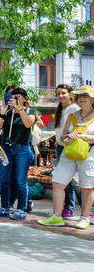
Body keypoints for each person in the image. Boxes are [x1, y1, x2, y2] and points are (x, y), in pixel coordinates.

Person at [38, 85, 94, 230]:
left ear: (92, 98)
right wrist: (68, 137)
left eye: (85, 96)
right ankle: (56, 216)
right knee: (58, 182)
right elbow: (62, 136)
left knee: (87, 187)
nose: (82, 98)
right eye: (80, 96)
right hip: (68, 153)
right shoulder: (72, 115)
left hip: (88, 154)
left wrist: (83, 137)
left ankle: (84, 218)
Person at [0, 86, 37, 220]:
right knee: (4, 180)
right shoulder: (7, 112)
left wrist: (20, 109)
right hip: (6, 148)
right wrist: (3, 112)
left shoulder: (30, 111)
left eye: (18, 97)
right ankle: (5, 207)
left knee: (20, 181)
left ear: (25, 98)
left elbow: (28, 124)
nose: (15, 99)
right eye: (13, 97)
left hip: (22, 149)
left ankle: (21, 209)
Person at [52, 84, 80, 220]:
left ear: (70, 94)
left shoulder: (75, 109)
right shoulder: (61, 109)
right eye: (58, 94)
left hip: (72, 147)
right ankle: (68, 208)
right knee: (63, 180)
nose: (60, 96)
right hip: (60, 146)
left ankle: (81, 209)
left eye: (63, 93)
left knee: (75, 181)